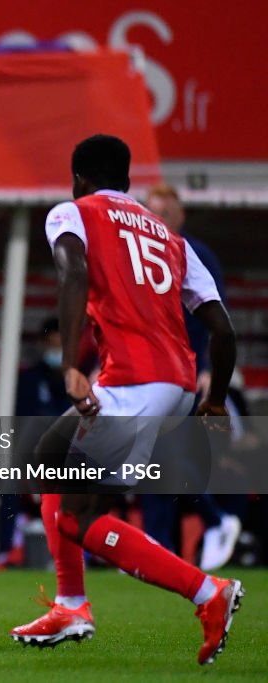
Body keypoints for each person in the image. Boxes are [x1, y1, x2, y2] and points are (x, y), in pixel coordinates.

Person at [8, 135, 242, 666]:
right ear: (129, 182)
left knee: (77, 514)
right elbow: (222, 329)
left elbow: (72, 274)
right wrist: (214, 402)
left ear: (78, 179)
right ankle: (71, 604)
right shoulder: (172, 238)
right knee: (56, 470)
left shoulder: (73, 212)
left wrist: (70, 363)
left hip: (134, 382)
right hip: (177, 384)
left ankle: (206, 592)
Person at [144, 184, 242, 571]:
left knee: (166, 456)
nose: (159, 220)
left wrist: (207, 368)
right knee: (153, 461)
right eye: (153, 213)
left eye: (166, 213)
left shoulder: (193, 253)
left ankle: (216, 519)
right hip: (148, 368)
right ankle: (157, 549)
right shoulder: (141, 251)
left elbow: (216, 316)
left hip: (182, 369)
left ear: (181, 216)